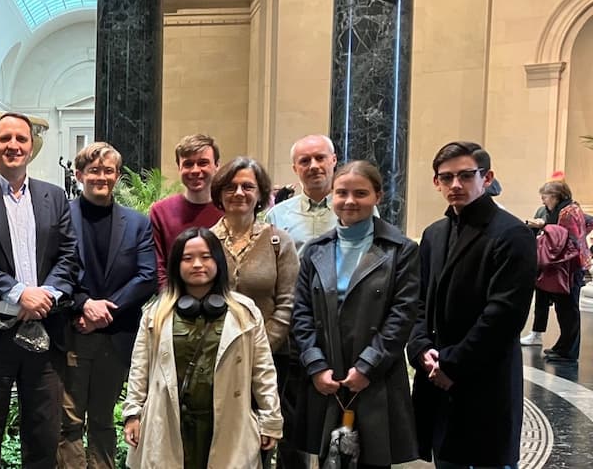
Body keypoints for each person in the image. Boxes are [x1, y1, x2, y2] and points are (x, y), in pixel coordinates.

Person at [0, 112, 81, 469]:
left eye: (21, 139)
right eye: (5, 138)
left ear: (32, 146)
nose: (13, 146)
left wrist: (46, 296)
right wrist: (18, 293)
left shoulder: (54, 197)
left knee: (43, 432)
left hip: (46, 330)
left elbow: (69, 256)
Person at [407, 141, 535, 468]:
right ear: (436, 182)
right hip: (437, 380)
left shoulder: (511, 234)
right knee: (446, 461)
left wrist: (450, 364)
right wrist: (421, 348)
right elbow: (420, 301)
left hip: (484, 382)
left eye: (465, 175)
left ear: (486, 177)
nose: (455, 185)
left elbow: (504, 315)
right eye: (446, 177)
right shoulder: (434, 234)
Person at [291, 161, 420, 468]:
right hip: (328, 376)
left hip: (376, 377)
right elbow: (301, 311)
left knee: (374, 460)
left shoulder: (401, 250)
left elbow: (402, 315)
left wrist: (367, 367)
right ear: (332, 197)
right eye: (342, 193)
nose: (350, 201)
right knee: (328, 460)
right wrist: (315, 365)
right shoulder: (314, 249)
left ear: (378, 196)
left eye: (360, 193)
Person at [122, 228, 282, 468]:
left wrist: (270, 419)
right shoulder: (156, 313)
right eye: (188, 258)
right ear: (177, 264)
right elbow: (140, 368)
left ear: (218, 261)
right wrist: (132, 413)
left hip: (228, 421)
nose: (197, 264)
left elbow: (263, 370)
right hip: (169, 419)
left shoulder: (245, 313)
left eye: (206, 257)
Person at [58, 142, 157, 469]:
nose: (101, 177)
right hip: (73, 330)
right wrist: (83, 305)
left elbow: (147, 277)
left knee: (102, 419)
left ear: (116, 176)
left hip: (114, 336)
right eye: (94, 170)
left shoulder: (138, 223)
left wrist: (103, 313)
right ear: (79, 174)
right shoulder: (61, 216)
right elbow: (52, 269)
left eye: (108, 171)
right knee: (68, 421)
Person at [208, 156, 300, 469]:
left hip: (270, 358)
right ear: (219, 192)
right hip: (214, 356)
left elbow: (288, 304)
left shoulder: (278, 242)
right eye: (231, 186)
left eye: (248, 186)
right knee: (218, 434)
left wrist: (257, 349)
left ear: (260, 193)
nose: (239, 192)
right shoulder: (204, 241)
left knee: (262, 437)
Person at [520, 178, 589, 361]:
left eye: (545, 196)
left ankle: (568, 352)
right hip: (564, 266)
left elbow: (567, 239)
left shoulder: (568, 211)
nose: (543, 200)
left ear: (556, 196)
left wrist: (544, 227)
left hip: (570, 267)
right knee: (563, 309)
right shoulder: (565, 209)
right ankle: (562, 347)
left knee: (569, 310)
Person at [149, 134, 224, 289]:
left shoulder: (229, 211)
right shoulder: (160, 212)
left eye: (203, 163)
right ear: (179, 168)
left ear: (217, 165)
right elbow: (158, 267)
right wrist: (172, 303)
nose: (195, 170)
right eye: (188, 164)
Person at [265, 135, 340, 251]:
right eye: (305, 161)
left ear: (334, 160)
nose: (314, 166)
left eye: (320, 158)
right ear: (295, 168)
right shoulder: (276, 216)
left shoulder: (356, 209)